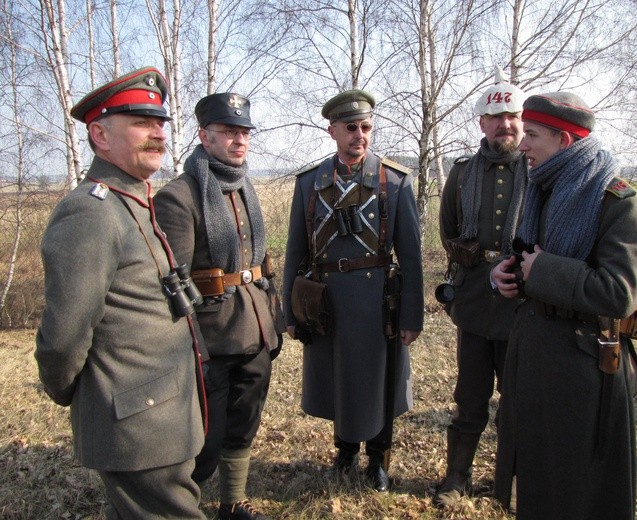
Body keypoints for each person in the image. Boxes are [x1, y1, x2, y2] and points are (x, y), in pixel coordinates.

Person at [34, 67, 207, 519]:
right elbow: (64, 338)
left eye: (160, 123)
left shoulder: (133, 198)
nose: (157, 133)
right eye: (140, 123)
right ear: (100, 135)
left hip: (161, 415)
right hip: (138, 424)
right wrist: (82, 393)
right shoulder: (90, 213)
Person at [490, 92, 637, 519]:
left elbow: (621, 292)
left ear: (564, 141)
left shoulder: (615, 201)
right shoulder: (540, 187)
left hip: (583, 373)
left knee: (578, 489)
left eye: (534, 135)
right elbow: (526, 257)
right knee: (539, 479)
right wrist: (505, 276)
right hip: (535, 358)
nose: (522, 144)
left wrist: (542, 271)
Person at [281, 89, 424, 492]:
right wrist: (289, 314)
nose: (359, 135)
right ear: (332, 131)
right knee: (338, 376)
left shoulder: (394, 183)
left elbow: (411, 257)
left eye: (366, 127)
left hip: (377, 301)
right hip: (326, 302)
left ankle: (377, 458)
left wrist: (412, 315)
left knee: (378, 378)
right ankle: (344, 451)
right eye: (350, 128)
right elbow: (295, 251)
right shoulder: (310, 183)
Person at [154, 93, 283, 520]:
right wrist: (189, 349)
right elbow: (173, 284)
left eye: (243, 132)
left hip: (255, 329)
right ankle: (182, 507)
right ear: (203, 136)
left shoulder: (244, 185)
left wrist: (273, 317)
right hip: (210, 339)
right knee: (205, 439)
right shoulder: (180, 196)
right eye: (229, 131)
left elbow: (258, 263)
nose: (239, 140)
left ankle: (232, 503)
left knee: (244, 424)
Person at [434, 66, 527, 507]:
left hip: (523, 303)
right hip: (473, 299)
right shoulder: (463, 173)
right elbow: (449, 228)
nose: (504, 124)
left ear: (521, 121)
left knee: (517, 399)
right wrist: (473, 267)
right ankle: (456, 479)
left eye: (512, 116)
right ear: (482, 124)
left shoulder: (538, 172)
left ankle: (508, 483)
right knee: (469, 396)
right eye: (496, 117)